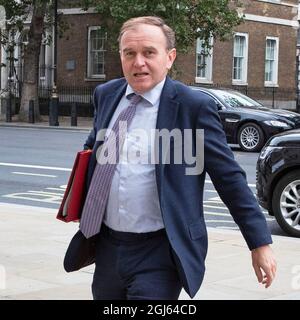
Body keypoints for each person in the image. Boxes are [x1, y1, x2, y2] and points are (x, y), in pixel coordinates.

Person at [79, 16, 277, 300]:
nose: (138, 63)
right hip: (108, 246)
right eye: (129, 53)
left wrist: (259, 243)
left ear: (169, 57)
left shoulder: (192, 107)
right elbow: (93, 154)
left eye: (149, 52)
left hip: (160, 251)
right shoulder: (106, 94)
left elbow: (228, 178)